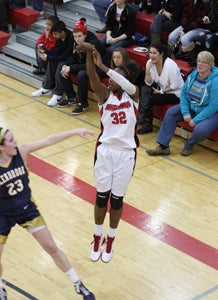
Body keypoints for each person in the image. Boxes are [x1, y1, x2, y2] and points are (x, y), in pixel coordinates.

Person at [0, 126, 96, 300]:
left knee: (51, 247)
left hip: (26, 209)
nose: (16, 142)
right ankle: (0, 286)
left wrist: (73, 131)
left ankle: (77, 283)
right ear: (1, 147)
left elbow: (48, 140)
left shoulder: (21, 153)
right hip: (3, 214)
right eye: (11, 140)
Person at [77, 42, 140, 263]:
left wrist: (104, 65)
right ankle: (97, 236)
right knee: (102, 197)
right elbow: (93, 76)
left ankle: (111, 238)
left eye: (115, 77)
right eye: (110, 77)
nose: (110, 80)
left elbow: (120, 80)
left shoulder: (134, 96)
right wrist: (88, 54)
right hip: (105, 151)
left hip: (126, 153)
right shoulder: (105, 95)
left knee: (117, 200)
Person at [146, 51, 218, 157]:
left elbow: (214, 106)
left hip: (214, 113)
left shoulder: (216, 81)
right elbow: (183, 95)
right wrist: (186, 113)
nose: (200, 64)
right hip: (193, 107)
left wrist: (196, 119)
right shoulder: (193, 75)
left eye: (204, 62)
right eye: (199, 61)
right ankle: (163, 147)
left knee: (201, 129)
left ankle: (189, 145)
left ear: (210, 65)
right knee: (171, 112)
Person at [46, 18, 109, 114]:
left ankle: (83, 104)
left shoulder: (92, 44)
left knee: (82, 74)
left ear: (85, 35)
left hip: (101, 67)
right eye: (75, 36)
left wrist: (70, 68)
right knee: (62, 65)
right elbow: (75, 58)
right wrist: (66, 65)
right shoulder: (76, 42)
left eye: (79, 36)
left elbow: (90, 65)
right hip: (86, 65)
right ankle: (71, 97)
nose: (77, 39)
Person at [137, 41, 184, 134]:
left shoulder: (170, 65)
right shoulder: (149, 63)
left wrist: (161, 91)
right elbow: (148, 83)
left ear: (161, 54)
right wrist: (147, 71)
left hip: (174, 92)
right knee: (145, 89)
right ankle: (144, 119)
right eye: (150, 52)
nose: (151, 55)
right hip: (161, 88)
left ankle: (146, 123)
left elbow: (175, 86)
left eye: (154, 53)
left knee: (150, 98)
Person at [31, 21, 74, 99]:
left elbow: (65, 56)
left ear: (62, 32)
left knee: (60, 64)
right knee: (52, 60)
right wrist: (46, 52)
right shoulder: (59, 37)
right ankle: (47, 88)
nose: (53, 36)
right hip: (65, 57)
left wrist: (48, 57)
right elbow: (57, 50)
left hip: (72, 59)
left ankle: (58, 94)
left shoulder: (71, 38)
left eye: (55, 34)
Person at [192, 0, 218, 66]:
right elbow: (207, 15)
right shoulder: (213, 3)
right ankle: (197, 60)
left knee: (209, 38)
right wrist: (206, 18)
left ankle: (212, 63)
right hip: (212, 29)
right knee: (199, 36)